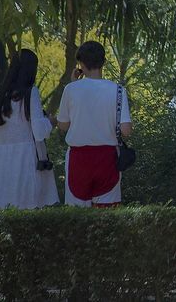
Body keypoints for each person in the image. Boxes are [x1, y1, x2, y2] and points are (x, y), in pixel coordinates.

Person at [56, 41, 132, 207]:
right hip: (107, 158)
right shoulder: (118, 90)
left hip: (78, 159)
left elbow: (62, 125)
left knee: (77, 217)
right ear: (103, 62)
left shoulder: (71, 89)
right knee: (107, 214)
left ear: (80, 65)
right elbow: (126, 130)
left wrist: (74, 83)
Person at [0, 48, 60, 209]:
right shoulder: (30, 93)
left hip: (2, 160)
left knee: (5, 210)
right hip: (26, 158)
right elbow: (39, 132)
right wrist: (51, 122)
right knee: (28, 208)